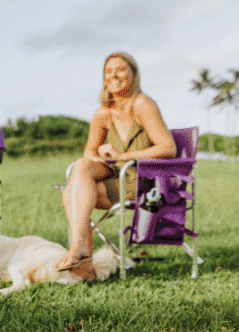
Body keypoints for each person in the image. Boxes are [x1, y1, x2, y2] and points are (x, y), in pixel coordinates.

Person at [59, 52, 175, 279]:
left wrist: (124, 155)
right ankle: (80, 252)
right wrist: (100, 154)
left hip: (142, 182)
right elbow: (89, 151)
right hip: (115, 175)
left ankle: (83, 263)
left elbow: (167, 148)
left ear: (133, 74)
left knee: (70, 193)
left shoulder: (142, 104)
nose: (114, 75)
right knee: (81, 166)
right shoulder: (102, 113)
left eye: (121, 69)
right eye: (108, 71)